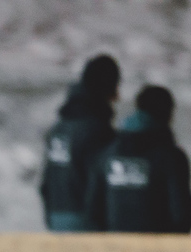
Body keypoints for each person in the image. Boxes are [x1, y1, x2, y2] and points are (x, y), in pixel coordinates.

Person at [84, 85, 191, 233]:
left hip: (114, 242)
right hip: (157, 243)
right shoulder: (172, 158)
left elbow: (92, 212)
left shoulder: (106, 154)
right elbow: (180, 214)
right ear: (168, 113)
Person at [39, 54, 121, 231]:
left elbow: (46, 183)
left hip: (56, 218)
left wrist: (51, 218)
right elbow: (100, 185)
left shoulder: (59, 128)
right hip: (85, 223)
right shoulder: (97, 130)